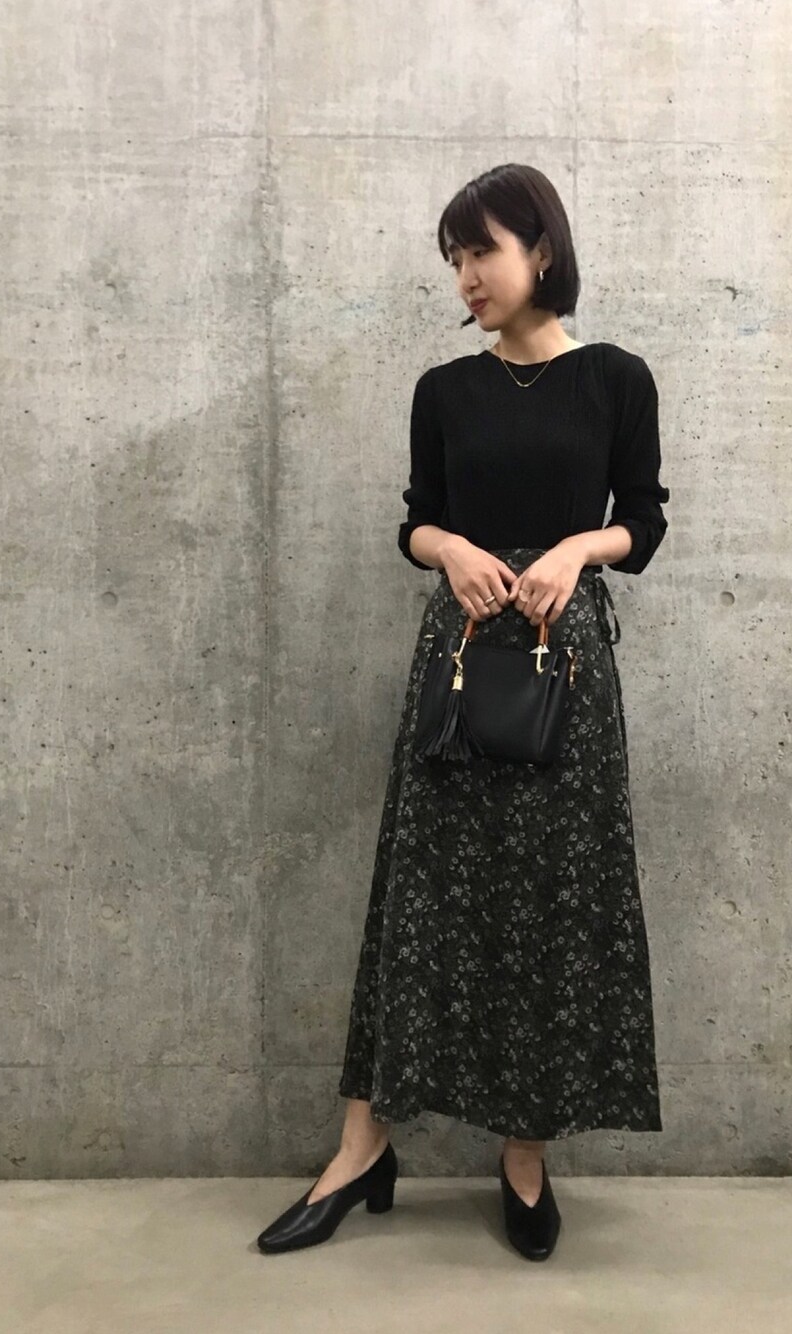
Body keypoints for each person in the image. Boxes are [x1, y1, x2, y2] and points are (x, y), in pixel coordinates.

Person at [257, 163, 669, 1262]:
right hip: (455, 660)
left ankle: (522, 1158)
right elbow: (418, 520)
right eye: (453, 259)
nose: (465, 276)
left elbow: (644, 521)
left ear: (541, 249)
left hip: (563, 668)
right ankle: (361, 1149)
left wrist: (577, 549)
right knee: (421, 900)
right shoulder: (444, 388)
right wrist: (449, 550)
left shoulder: (617, 378)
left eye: (480, 250)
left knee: (552, 903)